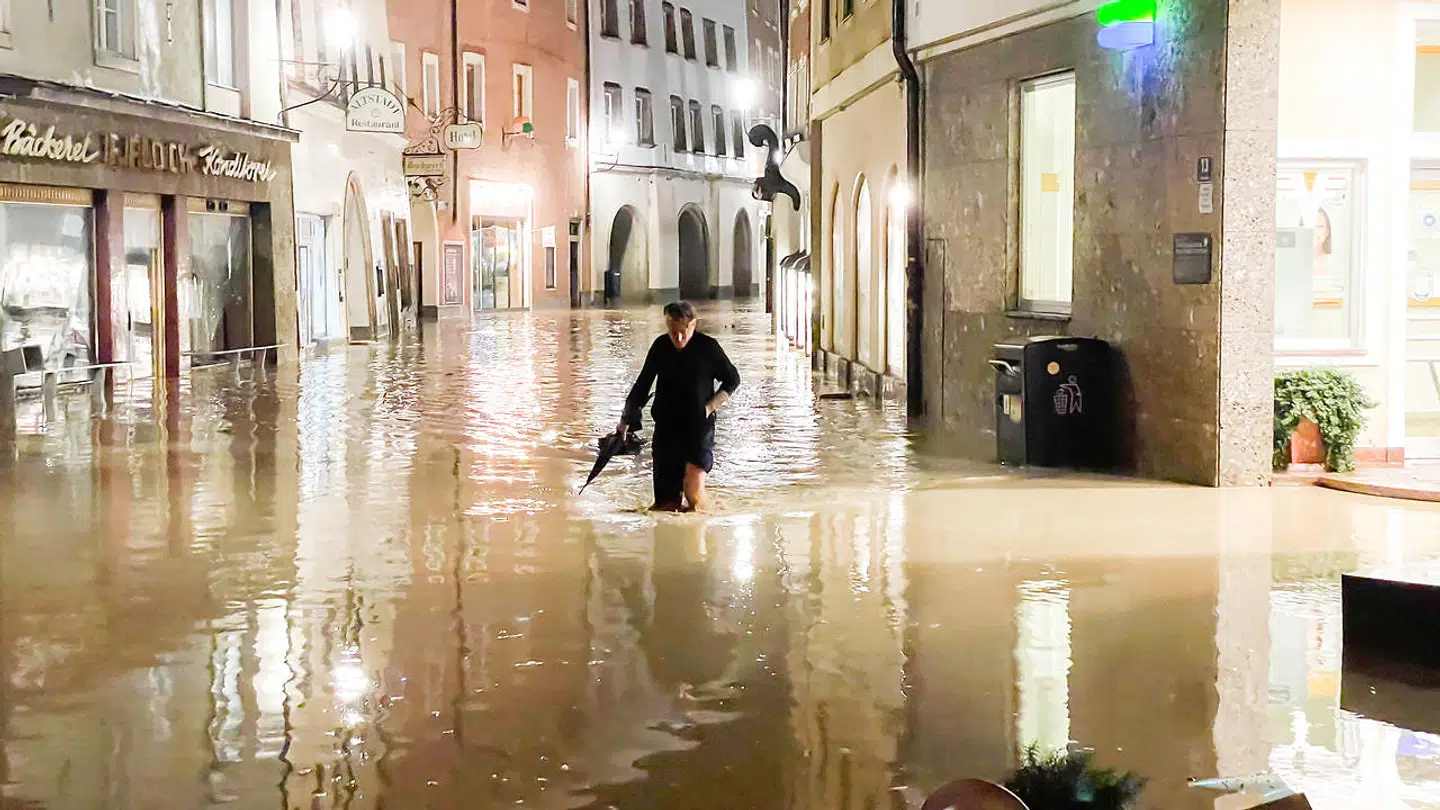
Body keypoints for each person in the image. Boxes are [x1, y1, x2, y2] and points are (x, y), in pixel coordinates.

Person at [617, 302, 740, 512]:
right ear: (667, 325)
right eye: (673, 332)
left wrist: (710, 406)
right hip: (666, 428)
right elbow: (642, 384)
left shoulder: (708, 348)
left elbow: (733, 379)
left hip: (698, 428)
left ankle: (705, 522)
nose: (678, 338)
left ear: (693, 325)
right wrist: (625, 420)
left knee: (694, 498)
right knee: (666, 504)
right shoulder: (660, 347)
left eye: (683, 332)